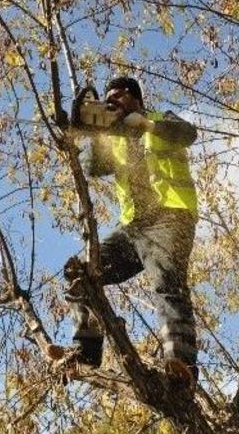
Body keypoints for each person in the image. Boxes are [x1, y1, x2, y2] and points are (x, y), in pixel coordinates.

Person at [61, 77, 200, 382]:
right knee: (82, 272)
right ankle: (86, 350)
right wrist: (92, 130)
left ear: (136, 98)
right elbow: (93, 167)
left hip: (169, 216)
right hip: (133, 228)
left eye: (119, 95)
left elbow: (188, 134)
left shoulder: (160, 119)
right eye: (108, 97)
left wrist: (146, 124)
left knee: (167, 283)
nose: (113, 99)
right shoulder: (115, 138)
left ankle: (181, 366)